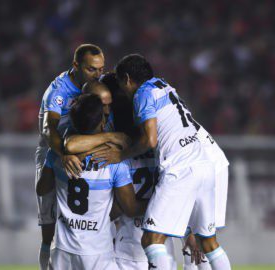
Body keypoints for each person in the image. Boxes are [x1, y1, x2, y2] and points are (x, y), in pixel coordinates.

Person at [95, 54, 231, 270]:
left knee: (151, 241)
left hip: (181, 168)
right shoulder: (165, 86)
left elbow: (150, 140)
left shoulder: (142, 94)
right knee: (208, 244)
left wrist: (121, 154)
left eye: (122, 85)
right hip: (206, 163)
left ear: (128, 79)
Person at [65, 74, 179, 270]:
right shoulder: (160, 138)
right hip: (161, 242)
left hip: (127, 247)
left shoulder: (112, 148)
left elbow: (122, 208)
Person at [47, 93, 147, 270]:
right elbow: (130, 208)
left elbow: (42, 189)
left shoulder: (58, 156)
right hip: (97, 252)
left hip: (61, 250)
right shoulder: (113, 162)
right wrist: (161, 200)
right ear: (102, 122)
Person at [35, 44, 105, 270]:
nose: (98, 75)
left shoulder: (96, 86)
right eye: (92, 70)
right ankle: (47, 260)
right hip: (53, 153)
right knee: (49, 221)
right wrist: (63, 153)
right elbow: (49, 129)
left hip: (84, 149)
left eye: (101, 69)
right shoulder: (59, 90)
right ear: (76, 66)